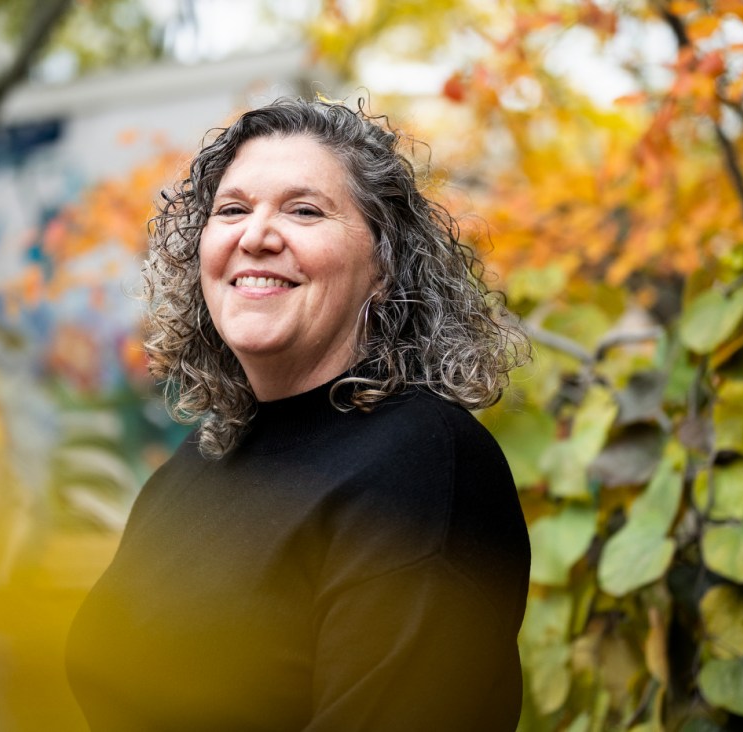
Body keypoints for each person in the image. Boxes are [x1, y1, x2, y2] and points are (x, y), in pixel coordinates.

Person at [65, 96, 531, 731]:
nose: (255, 235)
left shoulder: (424, 466)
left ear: (384, 266)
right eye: (232, 210)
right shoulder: (195, 465)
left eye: (304, 210)